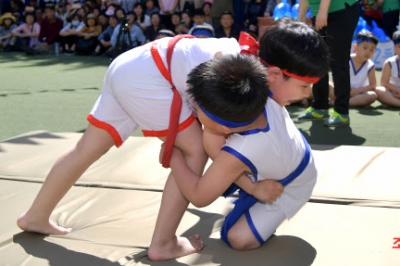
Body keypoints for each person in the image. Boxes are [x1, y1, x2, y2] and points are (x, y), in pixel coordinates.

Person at [16, 17, 297, 261]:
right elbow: (216, 147)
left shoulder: (247, 62)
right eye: (303, 87)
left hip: (131, 65)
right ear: (276, 74)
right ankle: (163, 244)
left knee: (87, 148)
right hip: (149, 78)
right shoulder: (237, 68)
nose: (303, 96)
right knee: (194, 151)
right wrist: (252, 186)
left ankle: (35, 216)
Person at [166, 18, 329, 250]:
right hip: (283, 153)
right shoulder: (253, 76)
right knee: (224, 156)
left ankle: (254, 187)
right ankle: (253, 181)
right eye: (305, 85)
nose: (308, 94)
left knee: (238, 239)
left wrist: (173, 156)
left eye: (196, 110)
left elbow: (199, 196)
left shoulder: (241, 148)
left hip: (292, 184)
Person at [297, 0, 359, 127]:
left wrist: (323, 11)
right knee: (318, 59)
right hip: (319, 12)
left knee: (338, 61)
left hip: (341, 10)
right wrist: (299, 20)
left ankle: (341, 112)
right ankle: (320, 107)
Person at [329, 30, 378, 108]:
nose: (368, 52)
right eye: (365, 48)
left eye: (372, 49)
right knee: (329, 86)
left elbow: (373, 85)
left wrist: (357, 91)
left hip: (358, 93)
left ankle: (335, 103)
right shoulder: (346, 59)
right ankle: (352, 102)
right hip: (341, 91)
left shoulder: (371, 65)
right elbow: (334, 80)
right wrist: (346, 90)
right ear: (356, 47)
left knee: (372, 96)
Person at [375, 30, 400, 108]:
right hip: (393, 93)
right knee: (378, 91)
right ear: (394, 48)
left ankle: (391, 103)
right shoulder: (389, 63)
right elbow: (384, 83)